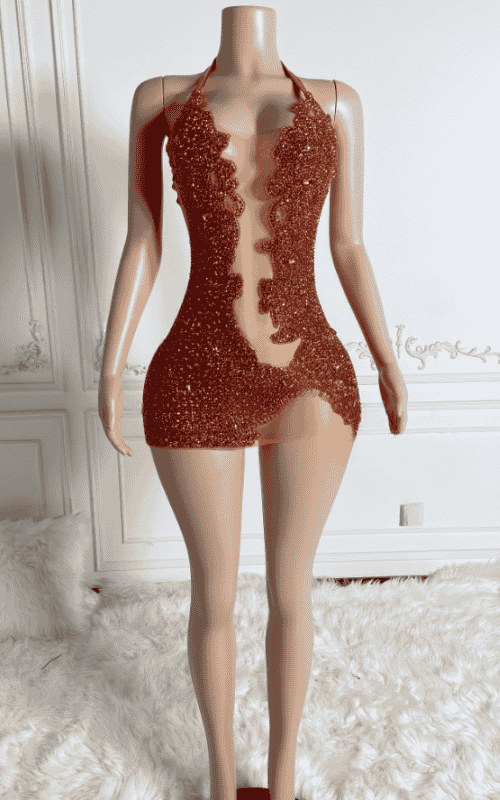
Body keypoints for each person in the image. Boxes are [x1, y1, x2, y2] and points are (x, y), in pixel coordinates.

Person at [98, 7, 408, 800]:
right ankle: (218, 780)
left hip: (310, 375)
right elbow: (143, 238)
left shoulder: (336, 100)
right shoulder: (159, 99)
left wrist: (385, 358)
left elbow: (349, 245)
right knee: (214, 595)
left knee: (290, 592)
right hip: (194, 371)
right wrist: (109, 366)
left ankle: (283, 780)